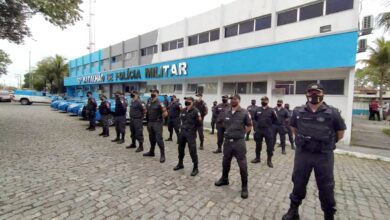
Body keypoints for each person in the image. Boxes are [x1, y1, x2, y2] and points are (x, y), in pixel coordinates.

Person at [283, 83, 346, 220]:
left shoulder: (333, 113)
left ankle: (328, 215)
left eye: (317, 92)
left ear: (323, 94)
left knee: (326, 186)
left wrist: (324, 143)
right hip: (303, 154)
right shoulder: (298, 111)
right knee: (298, 181)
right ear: (306, 94)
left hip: (323, 155)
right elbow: (294, 129)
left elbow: (340, 134)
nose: (314, 95)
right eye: (311, 92)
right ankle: (293, 211)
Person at [214, 94, 252, 199]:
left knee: (242, 165)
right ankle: (224, 179)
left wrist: (241, 133)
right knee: (225, 162)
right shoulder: (226, 111)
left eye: (235, 99)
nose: (232, 101)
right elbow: (221, 123)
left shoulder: (245, 112)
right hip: (227, 143)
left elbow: (249, 126)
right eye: (231, 99)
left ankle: (244, 186)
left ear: (239, 100)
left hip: (239, 142)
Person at [173, 96, 202, 176]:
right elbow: (181, 120)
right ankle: (180, 164)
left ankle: (195, 168)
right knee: (180, 149)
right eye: (186, 101)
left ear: (193, 102)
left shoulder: (196, 111)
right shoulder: (183, 110)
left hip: (191, 134)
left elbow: (199, 124)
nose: (187, 102)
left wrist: (194, 130)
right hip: (182, 133)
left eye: (188, 101)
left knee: (192, 151)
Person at [251, 96, 277, 167]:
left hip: (268, 130)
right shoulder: (257, 109)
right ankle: (257, 158)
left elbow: (275, 120)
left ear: (268, 101)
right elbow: (255, 119)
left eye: (264, 100)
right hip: (259, 130)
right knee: (258, 145)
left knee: (269, 146)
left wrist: (272, 129)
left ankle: (269, 160)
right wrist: (255, 128)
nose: (263, 101)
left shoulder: (271, 110)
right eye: (262, 100)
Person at [144, 89, 168, 163]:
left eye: (154, 92)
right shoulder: (149, 102)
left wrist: (163, 115)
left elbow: (165, 113)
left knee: (159, 139)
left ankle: (162, 155)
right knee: (151, 139)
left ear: (157, 94)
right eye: (151, 92)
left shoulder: (160, 103)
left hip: (157, 123)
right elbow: (146, 112)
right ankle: (152, 152)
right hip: (150, 123)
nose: (152, 93)